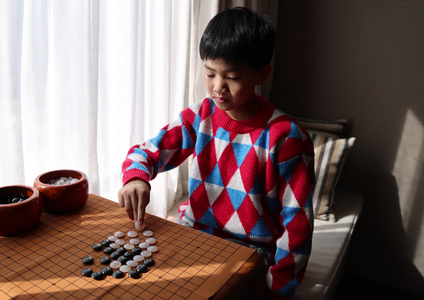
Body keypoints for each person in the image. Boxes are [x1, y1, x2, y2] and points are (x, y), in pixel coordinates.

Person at [118, 7, 314, 299]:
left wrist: (278, 288)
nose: (217, 88)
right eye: (210, 74)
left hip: (250, 252)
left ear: (262, 74)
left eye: (232, 77)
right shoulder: (200, 115)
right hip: (191, 235)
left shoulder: (286, 138)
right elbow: (148, 151)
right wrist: (136, 177)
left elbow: (297, 225)